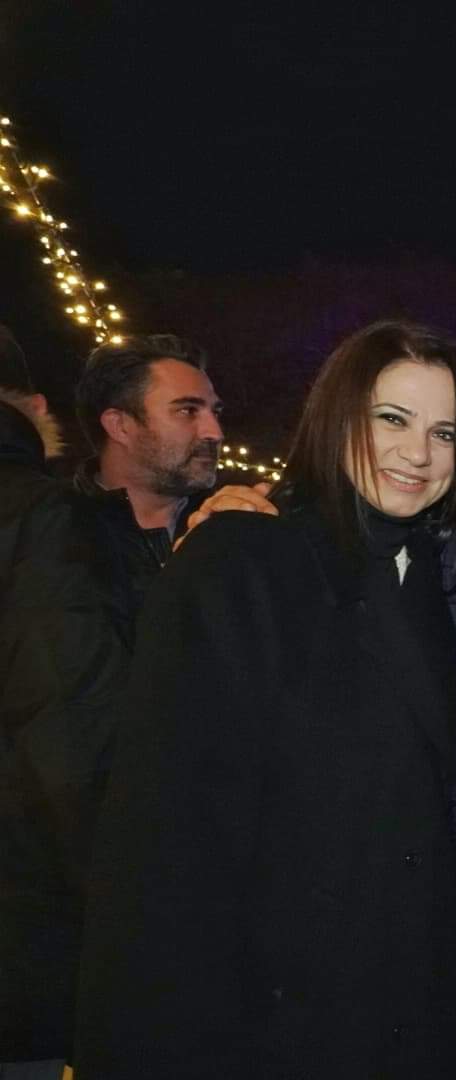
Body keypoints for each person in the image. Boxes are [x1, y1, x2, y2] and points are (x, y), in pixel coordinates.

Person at [73, 320, 456, 1079]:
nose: (418, 453)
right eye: (391, 420)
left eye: (444, 432)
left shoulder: (434, 576)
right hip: (269, 1014)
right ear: (336, 417)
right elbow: (166, 838)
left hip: (405, 999)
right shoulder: (240, 558)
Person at [0, 326, 128, 1079]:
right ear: (38, 408)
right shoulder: (44, 517)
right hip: (26, 920)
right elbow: (68, 725)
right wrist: (121, 909)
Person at [72, 333, 222, 614]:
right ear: (120, 426)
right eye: (187, 411)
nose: (214, 432)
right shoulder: (52, 534)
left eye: (216, 413)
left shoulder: (229, 524)